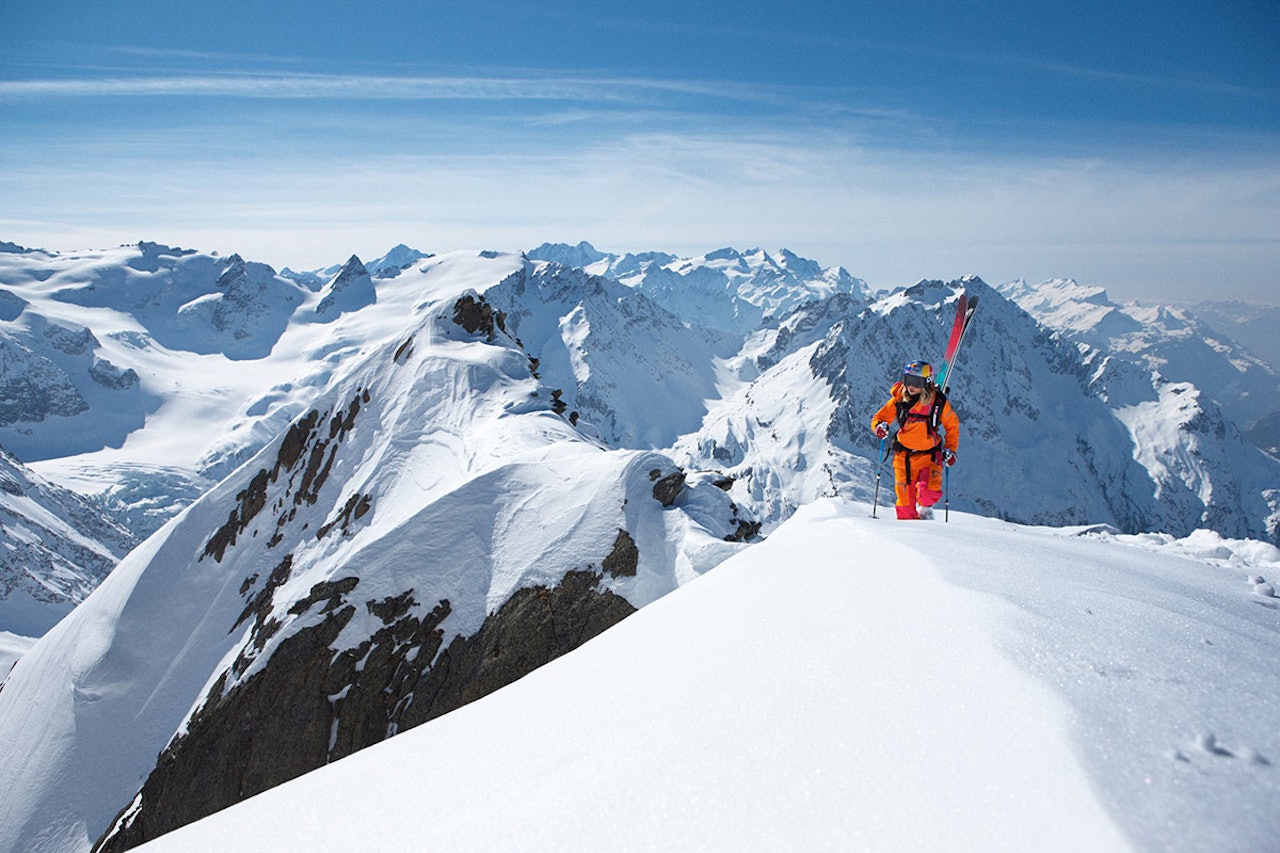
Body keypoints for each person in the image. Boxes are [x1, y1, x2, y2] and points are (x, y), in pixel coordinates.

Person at [870, 360, 959, 519]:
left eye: (915, 382)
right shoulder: (899, 400)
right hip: (903, 459)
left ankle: (923, 506)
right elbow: (880, 417)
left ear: (926, 383)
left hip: (929, 457)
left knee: (929, 494)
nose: (910, 386)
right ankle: (913, 538)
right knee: (904, 509)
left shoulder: (937, 404)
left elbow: (952, 426)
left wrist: (951, 451)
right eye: (907, 380)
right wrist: (879, 426)